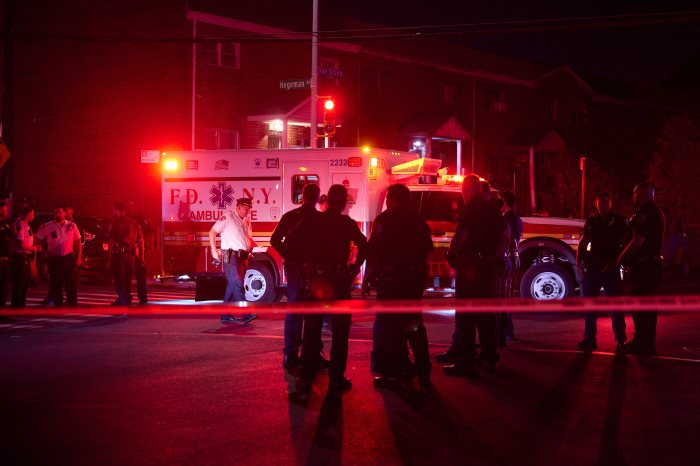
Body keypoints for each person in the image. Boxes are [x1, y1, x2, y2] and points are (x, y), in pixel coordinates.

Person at [288, 184, 367, 394]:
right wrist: (353, 270)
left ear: (327, 200)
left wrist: (306, 265)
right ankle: (336, 379)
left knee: (312, 331)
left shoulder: (313, 221)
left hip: (315, 283)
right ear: (343, 203)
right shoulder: (346, 224)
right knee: (340, 334)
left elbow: (290, 241)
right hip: (339, 283)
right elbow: (365, 246)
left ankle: (305, 378)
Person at [363, 184, 434, 390]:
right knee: (414, 326)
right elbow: (427, 252)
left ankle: (394, 374)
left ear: (394, 199)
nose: (386, 202)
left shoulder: (385, 220)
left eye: (388, 198)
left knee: (391, 328)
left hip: (391, 281)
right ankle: (423, 372)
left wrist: (367, 278)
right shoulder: (419, 222)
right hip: (412, 281)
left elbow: (374, 253)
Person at [442, 174, 509, 376]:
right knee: (487, 314)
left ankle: (466, 361)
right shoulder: (493, 210)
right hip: (487, 267)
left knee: (466, 316)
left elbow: (461, 237)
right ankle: (489, 358)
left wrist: (452, 255)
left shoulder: (469, 210)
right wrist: (492, 257)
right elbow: (505, 236)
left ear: (466, 189)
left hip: (470, 267)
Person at [270, 183, 327, 369]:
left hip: (294, 269)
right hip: (315, 271)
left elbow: (274, 240)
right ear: (318, 198)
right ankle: (312, 354)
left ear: (302, 196)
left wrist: (289, 256)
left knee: (294, 310)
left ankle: (291, 354)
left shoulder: (291, 217)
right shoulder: (320, 219)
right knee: (313, 312)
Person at [617, 182, 665, 355]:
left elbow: (639, 240)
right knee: (644, 304)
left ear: (643, 194)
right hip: (649, 264)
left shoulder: (646, 213)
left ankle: (643, 342)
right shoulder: (653, 212)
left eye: (635, 194)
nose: (633, 197)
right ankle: (644, 341)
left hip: (646, 265)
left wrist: (622, 256)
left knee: (641, 304)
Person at [576, 192, 627, 350]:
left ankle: (620, 338)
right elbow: (584, 242)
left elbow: (624, 244)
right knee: (590, 304)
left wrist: (615, 263)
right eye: (601, 203)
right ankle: (589, 339)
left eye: (606, 202)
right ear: (596, 204)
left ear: (610, 203)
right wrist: (579, 263)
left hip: (610, 267)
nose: (603, 205)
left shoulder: (618, 221)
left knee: (615, 304)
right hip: (593, 267)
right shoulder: (592, 221)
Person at [209, 197, 257, 324]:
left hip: (241, 257)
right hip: (230, 257)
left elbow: (247, 239)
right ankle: (246, 314)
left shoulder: (244, 221)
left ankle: (225, 315)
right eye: (246, 209)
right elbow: (212, 232)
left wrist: (247, 227)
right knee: (238, 284)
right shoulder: (228, 217)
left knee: (232, 287)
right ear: (238, 207)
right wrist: (214, 251)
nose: (248, 211)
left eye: (249, 209)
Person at [34, 205, 82, 306]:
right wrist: (44, 251)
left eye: (60, 212)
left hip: (68, 258)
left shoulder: (72, 225)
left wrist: (78, 257)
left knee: (71, 283)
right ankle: (58, 304)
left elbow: (78, 242)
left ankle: (72, 304)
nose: (58, 214)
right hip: (54, 258)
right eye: (55, 212)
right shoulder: (48, 226)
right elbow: (37, 238)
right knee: (56, 283)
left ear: (65, 213)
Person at [499, 191, 522, 344]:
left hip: (507, 258)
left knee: (503, 297)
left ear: (504, 202)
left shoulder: (506, 219)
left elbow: (505, 240)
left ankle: (506, 330)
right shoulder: (516, 218)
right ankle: (508, 330)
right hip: (514, 258)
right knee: (507, 296)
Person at [108, 202, 141, 306]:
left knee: (119, 278)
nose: (113, 212)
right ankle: (127, 297)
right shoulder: (134, 223)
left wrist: (109, 257)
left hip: (120, 254)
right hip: (131, 254)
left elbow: (112, 240)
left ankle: (123, 299)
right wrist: (140, 256)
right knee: (127, 278)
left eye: (114, 210)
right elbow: (140, 240)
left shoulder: (116, 223)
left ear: (118, 211)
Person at [11, 207, 37, 308]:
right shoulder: (20, 226)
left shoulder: (28, 227)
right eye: (33, 214)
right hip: (20, 257)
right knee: (20, 282)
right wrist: (33, 248)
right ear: (28, 214)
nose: (33, 216)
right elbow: (21, 244)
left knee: (24, 283)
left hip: (26, 256)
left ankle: (21, 305)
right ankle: (17, 306)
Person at [0, 201, 14, 306]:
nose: (7, 212)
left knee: (4, 288)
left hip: (7, 260)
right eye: (5, 210)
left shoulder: (7, 224)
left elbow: (12, 238)